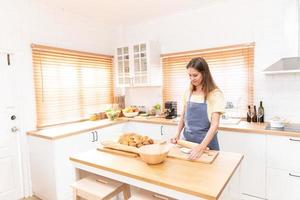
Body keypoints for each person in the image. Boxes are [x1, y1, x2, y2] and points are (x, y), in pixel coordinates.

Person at [170, 57, 225, 160]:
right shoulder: (188, 92)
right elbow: (183, 116)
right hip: (186, 144)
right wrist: (177, 134)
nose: (191, 78)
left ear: (204, 73)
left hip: (207, 146)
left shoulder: (215, 94)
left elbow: (214, 125)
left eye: (195, 75)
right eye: (189, 75)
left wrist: (201, 146)